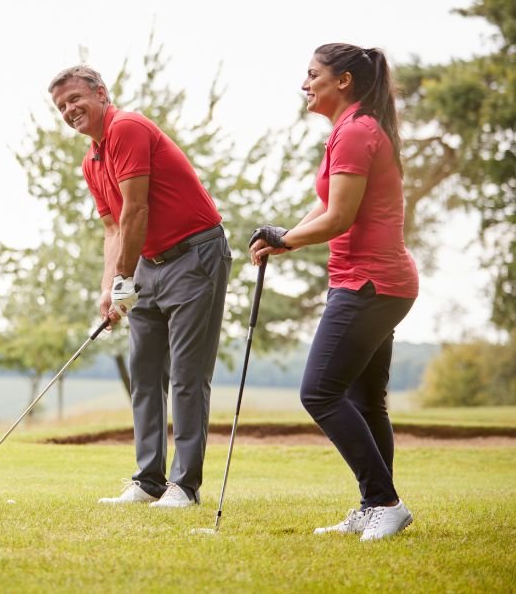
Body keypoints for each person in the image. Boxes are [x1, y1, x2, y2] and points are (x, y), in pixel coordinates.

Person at [249, 44, 419, 541]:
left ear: (342, 81)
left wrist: (285, 238)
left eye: (312, 75)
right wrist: (286, 240)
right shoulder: (354, 129)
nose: (304, 85)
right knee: (365, 399)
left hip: (369, 284)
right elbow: (327, 206)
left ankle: (384, 501)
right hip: (377, 283)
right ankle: (374, 506)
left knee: (319, 391)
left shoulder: (357, 132)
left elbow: (340, 219)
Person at [49, 65, 230, 508]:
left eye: (76, 99)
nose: (70, 110)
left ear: (101, 93)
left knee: (187, 376)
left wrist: (125, 279)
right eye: (61, 107)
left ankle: (184, 486)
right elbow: (113, 229)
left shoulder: (127, 128)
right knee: (145, 375)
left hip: (195, 256)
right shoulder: (91, 161)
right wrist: (109, 288)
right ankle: (148, 480)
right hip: (148, 262)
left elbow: (136, 210)